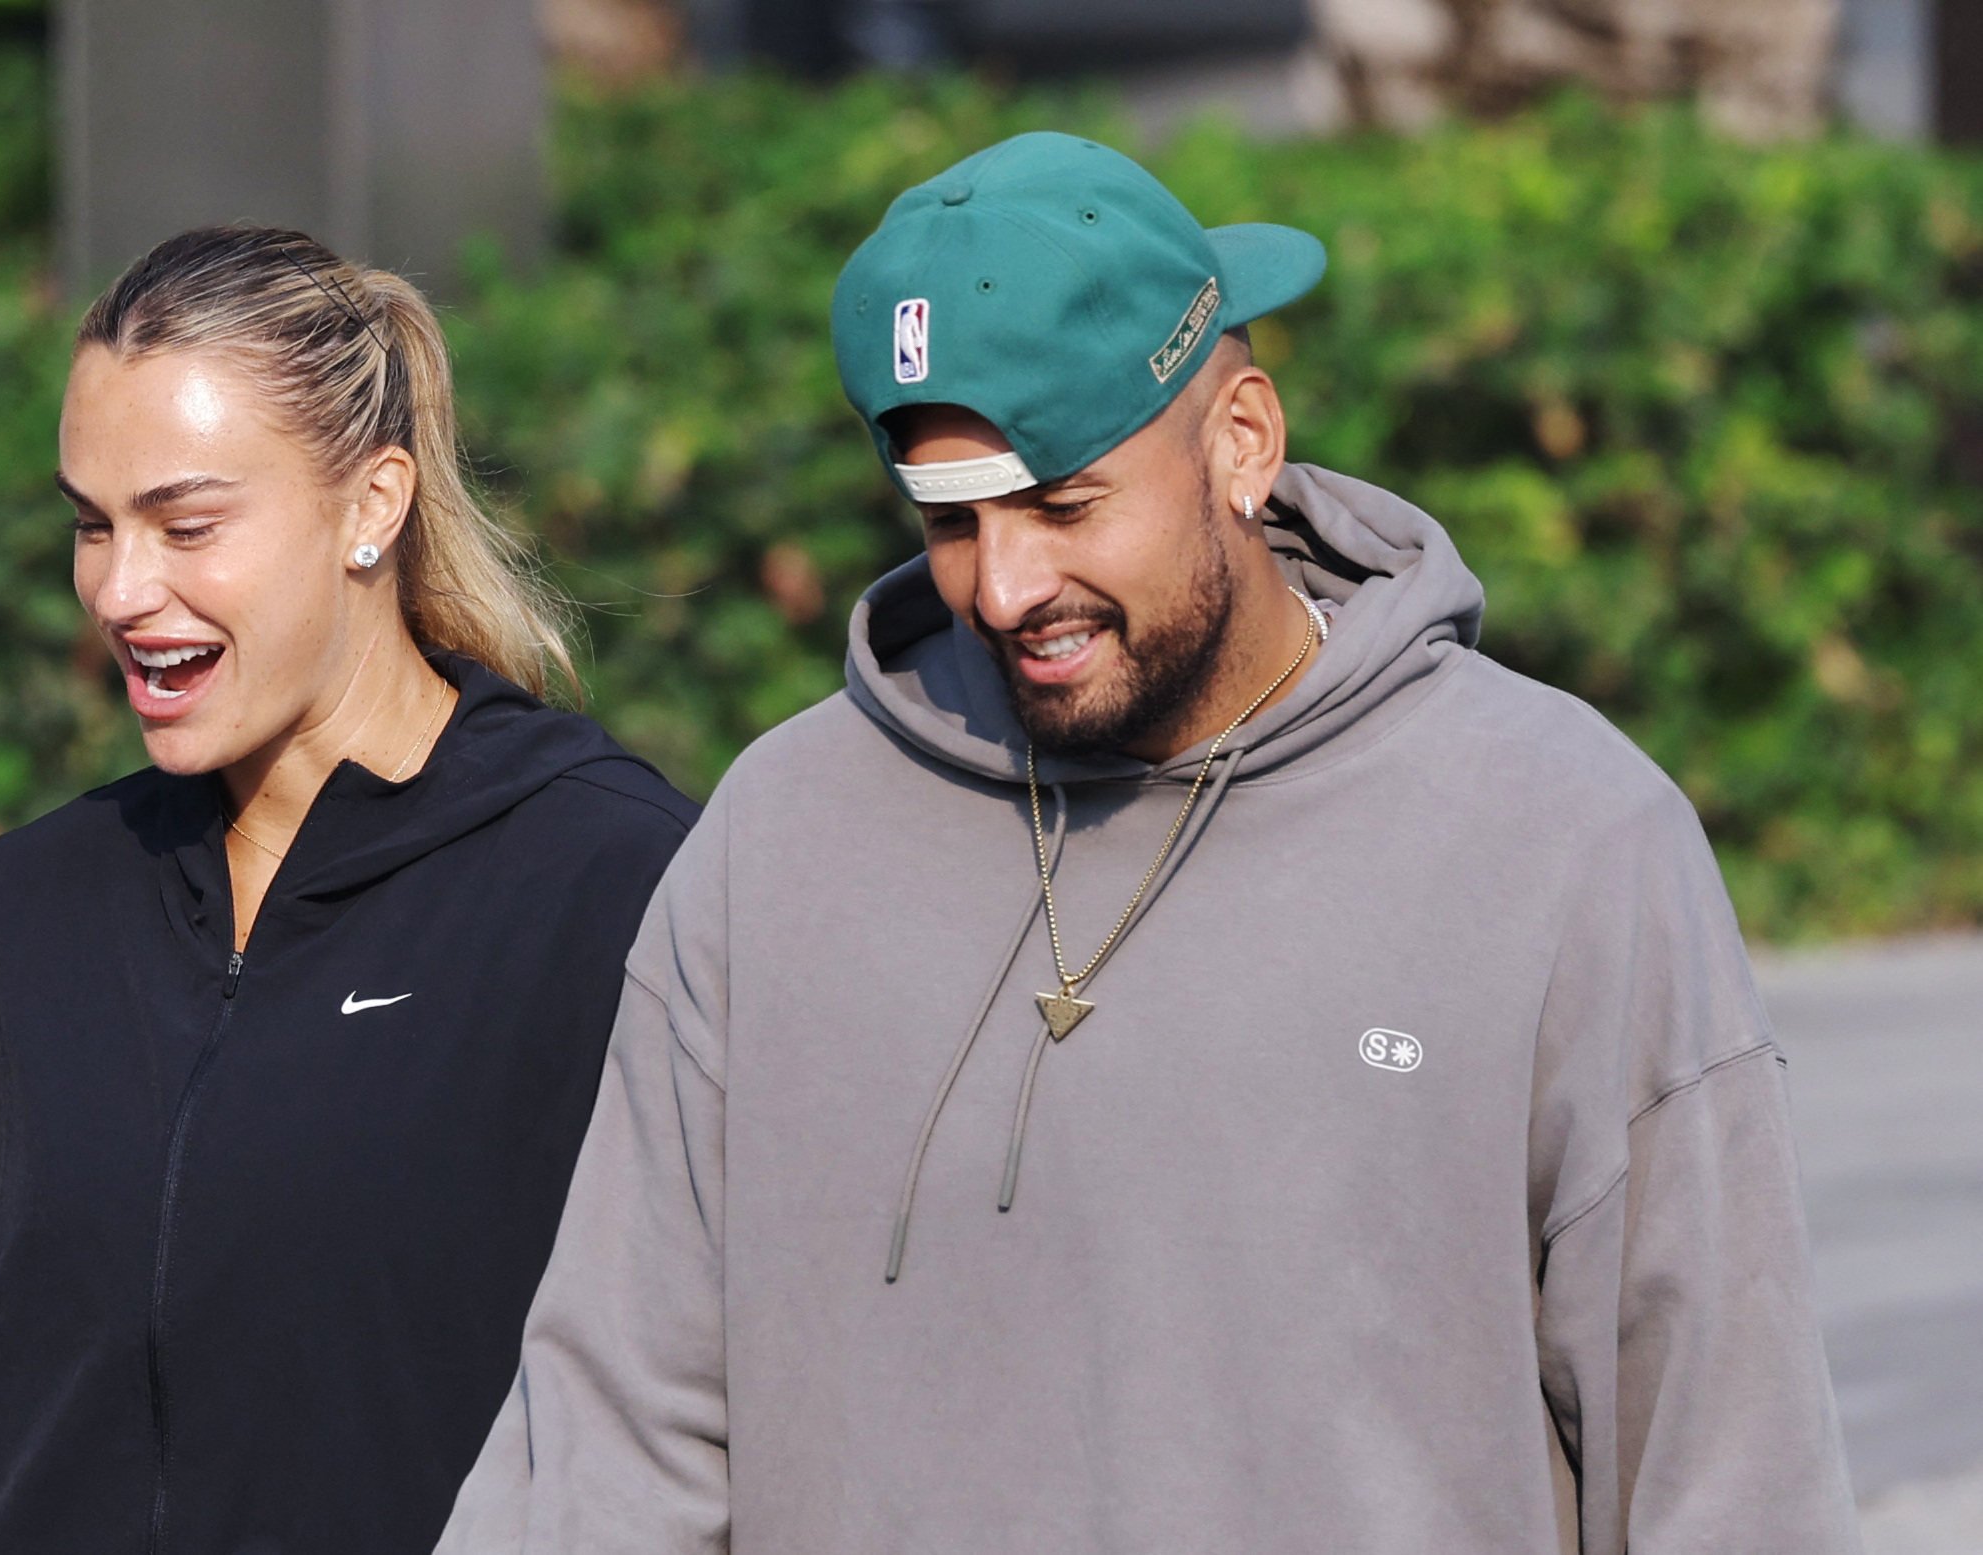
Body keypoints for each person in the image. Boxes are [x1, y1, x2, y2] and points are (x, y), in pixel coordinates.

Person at [439, 134, 1860, 1553]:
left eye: (1062, 505)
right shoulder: (776, 838)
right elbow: (614, 1436)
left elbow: (1725, 1467)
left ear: (1239, 441)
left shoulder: (1562, 839)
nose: (1003, 587)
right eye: (949, 519)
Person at [0, 225, 697, 1553]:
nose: (123, 591)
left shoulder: (604, 883)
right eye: (92, 524)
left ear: (373, 505)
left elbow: (688, 1421)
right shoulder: (20, 919)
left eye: (186, 523)